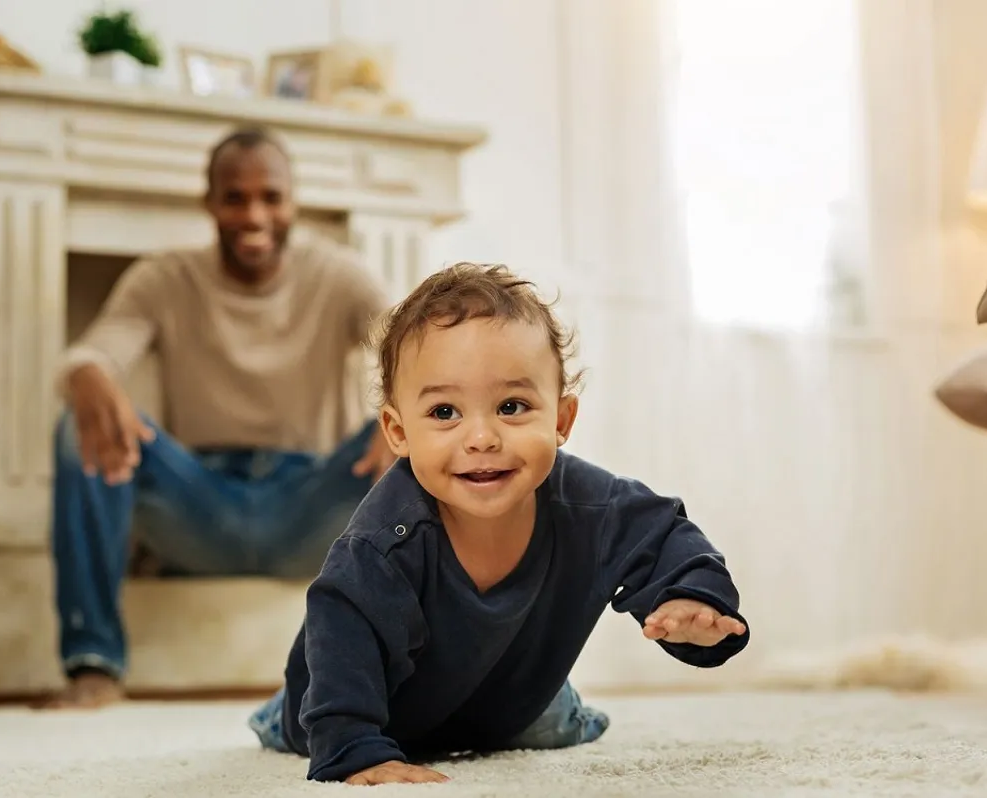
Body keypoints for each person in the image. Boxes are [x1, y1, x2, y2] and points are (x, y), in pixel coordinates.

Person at [246, 262, 751, 783]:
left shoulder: (592, 508)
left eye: (511, 406)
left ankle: (555, 707)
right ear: (398, 433)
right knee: (308, 715)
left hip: (508, 700)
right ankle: (280, 712)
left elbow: (663, 536)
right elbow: (342, 625)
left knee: (548, 722)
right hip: (375, 700)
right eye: (445, 413)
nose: (481, 438)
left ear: (560, 420)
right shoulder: (382, 542)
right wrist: (353, 746)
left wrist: (691, 598)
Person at [46, 126, 397, 709]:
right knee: (78, 427)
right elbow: (97, 350)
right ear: (209, 203)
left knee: (422, 429)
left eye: (270, 197)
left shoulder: (338, 274)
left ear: (294, 202)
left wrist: (402, 410)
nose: (254, 214)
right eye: (235, 198)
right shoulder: (163, 276)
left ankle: (421, 662)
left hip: (309, 506)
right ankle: (93, 663)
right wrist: (86, 373)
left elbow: (406, 344)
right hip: (199, 504)